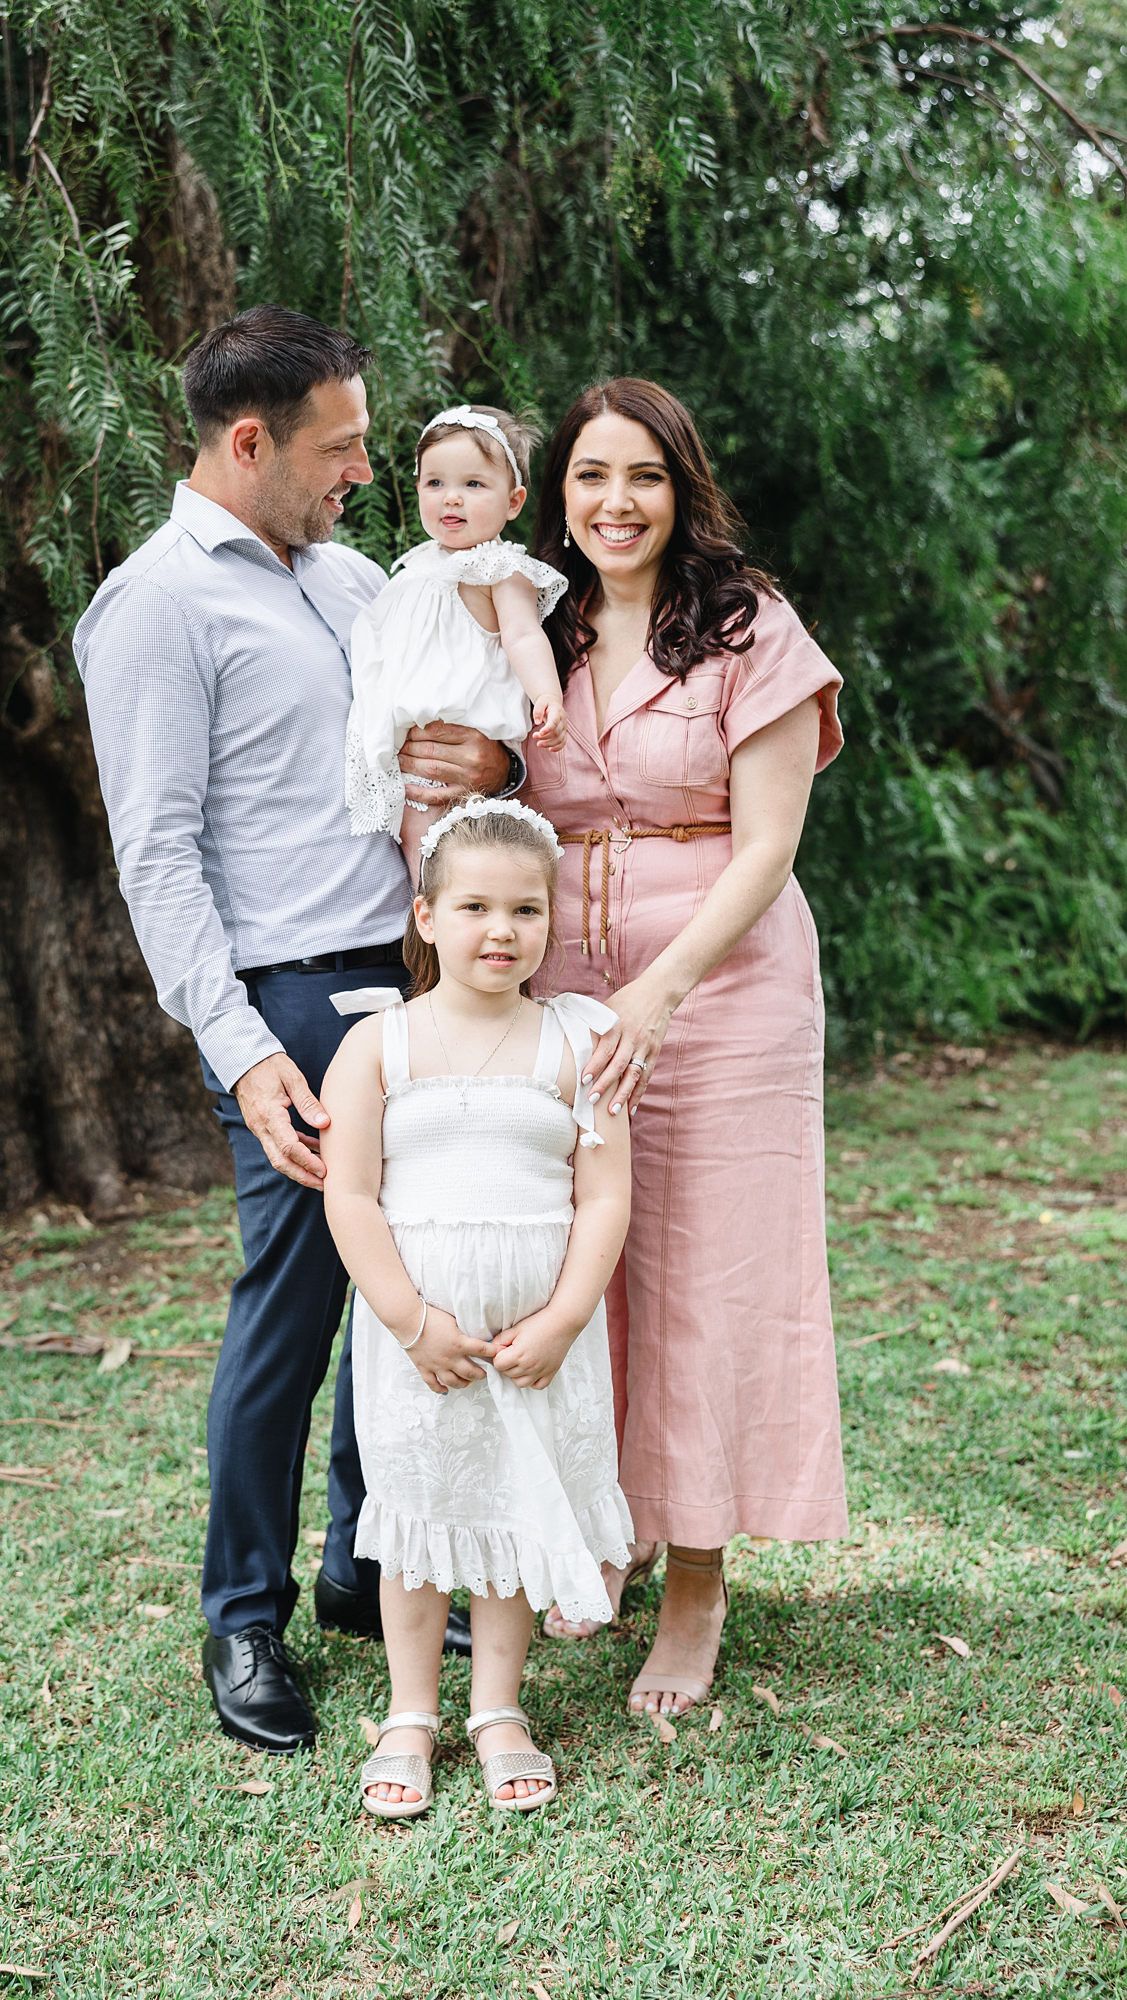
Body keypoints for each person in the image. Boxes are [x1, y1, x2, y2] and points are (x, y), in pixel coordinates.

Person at [74, 306, 519, 1756]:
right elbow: (158, 858)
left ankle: (362, 1567)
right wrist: (244, 1049)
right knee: (298, 1298)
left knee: (411, 1278)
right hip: (283, 998)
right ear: (249, 441)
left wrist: (487, 756)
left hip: (410, 972)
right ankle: (244, 1617)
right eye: (340, 446)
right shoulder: (154, 605)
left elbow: (429, 731)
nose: (367, 472)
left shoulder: (346, 580)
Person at [521, 377, 849, 1715]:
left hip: (720, 988)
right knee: (584, 1267)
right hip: (556, 990)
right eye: (591, 476)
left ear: (682, 486)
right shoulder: (530, 624)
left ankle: (698, 1579)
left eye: (642, 476)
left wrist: (655, 994)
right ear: (559, 494)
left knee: (709, 1275)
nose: (616, 503)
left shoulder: (742, 625)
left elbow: (767, 843)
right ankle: (613, 1520)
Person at [320, 799, 632, 1817]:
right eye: (475, 906)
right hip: (422, 1338)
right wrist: (410, 1318)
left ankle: (498, 1704)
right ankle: (411, 1709)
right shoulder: (380, 1043)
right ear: (424, 915)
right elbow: (350, 1192)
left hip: (532, 1336)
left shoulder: (576, 1041)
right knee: (417, 1519)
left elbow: (605, 1194)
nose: (502, 929)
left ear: (551, 920)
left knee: (507, 1514)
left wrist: (565, 1316)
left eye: (526, 909)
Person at [345, 404, 568, 884]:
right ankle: (427, 948)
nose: (451, 499)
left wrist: (547, 695)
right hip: (406, 763)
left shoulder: (499, 570)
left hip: (454, 765)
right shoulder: (414, 569)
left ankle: (442, 953)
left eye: (473, 485)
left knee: (444, 878)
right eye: (435, 484)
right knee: (415, 876)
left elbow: (524, 635)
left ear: (513, 502)